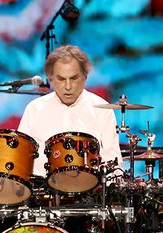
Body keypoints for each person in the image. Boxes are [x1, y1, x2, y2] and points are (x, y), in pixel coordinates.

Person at [18, 44, 122, 176]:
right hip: (42, 191)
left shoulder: (102, 108)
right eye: (61, 79)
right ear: (50, 80)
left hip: (90, 191)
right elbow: (20, 158)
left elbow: (114, 161)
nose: (68, 86)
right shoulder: (35, 109)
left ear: (85, 77)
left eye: (73, 78)